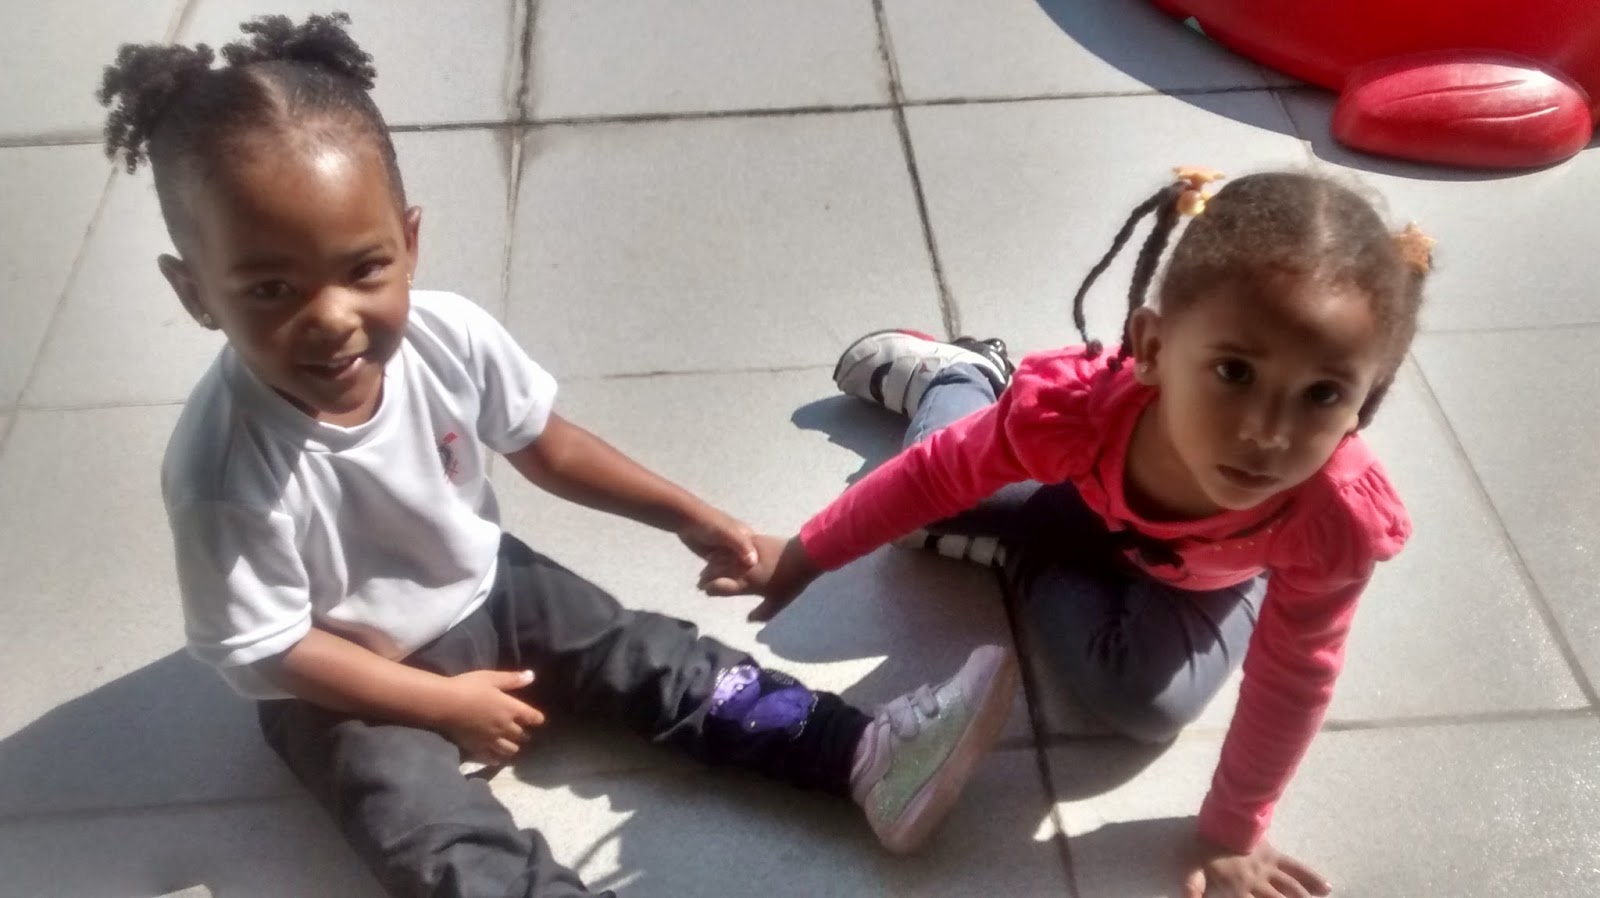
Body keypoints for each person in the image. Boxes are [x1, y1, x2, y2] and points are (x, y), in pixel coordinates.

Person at [101, 14, 1019, 898]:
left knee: (647, 652)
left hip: (488, 586)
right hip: (344, 682)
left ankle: (862, 755)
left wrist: (688, 515)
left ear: (408, 243)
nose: (331, 317)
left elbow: (549, 446)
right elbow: (276, 651)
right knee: (421, 827)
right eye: (270, 288)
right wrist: (440, 706)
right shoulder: (222, 471)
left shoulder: (447, 336)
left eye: (363, 268)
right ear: (196, 292)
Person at [704, 167, 1434, 898]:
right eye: (1234, 372)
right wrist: (805, 553)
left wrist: (1233, 830)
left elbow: (1295, 677)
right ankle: (958, 380)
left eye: (1322, 394)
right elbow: (934, 473)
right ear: (1152, 348)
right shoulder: (1082, 410)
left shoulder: (1331, 519)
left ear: (1365, 401)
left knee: (1146, 707)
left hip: (1204, 578)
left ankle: (1017, 551)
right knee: (918, 499)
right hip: (1074, 499)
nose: (1266, 433)